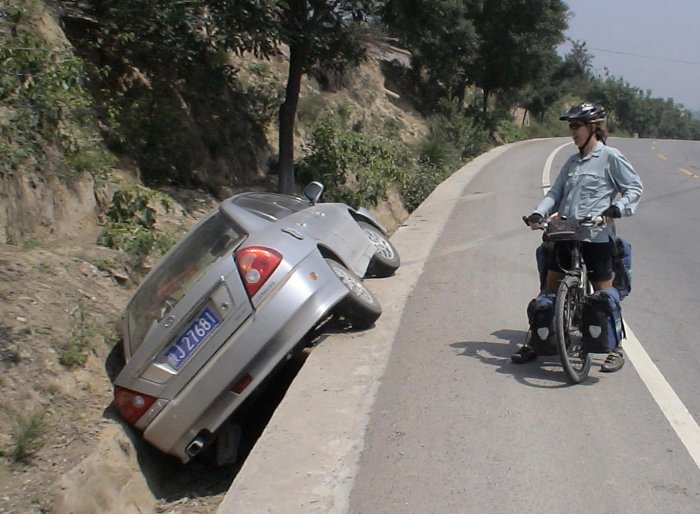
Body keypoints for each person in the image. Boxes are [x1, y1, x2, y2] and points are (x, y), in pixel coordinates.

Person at [512, 102, 644, 372]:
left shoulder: (610, 157)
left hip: (596, 236)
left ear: (593, 128)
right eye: (571, 127)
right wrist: (539, 212)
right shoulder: (572, 162)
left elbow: (634, 187)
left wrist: (617, 208)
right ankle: (535, 340)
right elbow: (555, 193)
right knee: (549, 290)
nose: (572, 132)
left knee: (604, 295)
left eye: (576, 126)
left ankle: (616, 348)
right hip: (566, 232)